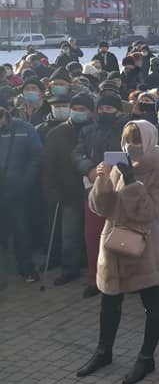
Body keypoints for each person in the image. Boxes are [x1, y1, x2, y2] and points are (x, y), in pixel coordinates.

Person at [77, 120, 159, 384]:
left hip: (144, 245)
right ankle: (103, 352)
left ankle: (146, 357)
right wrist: (102, 179)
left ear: (149, 141)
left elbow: (150, 211)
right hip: (113, 242)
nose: (131, 146)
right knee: (109, 299)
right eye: (127, 140)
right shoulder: (118, 166)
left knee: (151, 300)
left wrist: (131, 182)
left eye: (136, 140)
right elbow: (101, 208)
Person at [73, 91, 129, 297]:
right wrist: (89, 168)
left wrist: (109, 166)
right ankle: (95, 277)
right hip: (94, 188)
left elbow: (130, 155)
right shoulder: (87, 130)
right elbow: (77, 153)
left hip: (119, 189)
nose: (105, 112)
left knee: (119, 234)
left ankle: (121, 276)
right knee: (93, 234)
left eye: (109, 108)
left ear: (118, 111)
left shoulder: (126, 129)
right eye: (102, 108)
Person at [43, 93, 95, 286]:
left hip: (94, 191)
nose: (78, 112)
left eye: (83, 109)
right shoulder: (57, 133)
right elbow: (48, 165)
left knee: (94, 233)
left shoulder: (95, 130)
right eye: (75, 109)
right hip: (68, 191)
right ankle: (69, 269)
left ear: (90, 112)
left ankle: (94, 268)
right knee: (69, 235)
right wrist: (52, 190)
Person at [0, 99, 43, 282]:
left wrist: (26, 181)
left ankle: (27, 269)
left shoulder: (25, 129)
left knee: (21, 230)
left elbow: (36, 156)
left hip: (17, 189)